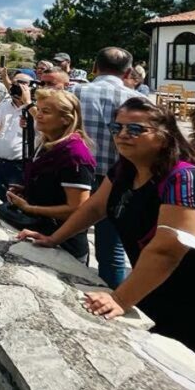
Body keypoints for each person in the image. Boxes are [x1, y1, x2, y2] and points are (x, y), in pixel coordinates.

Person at [18, 98, 195, 390]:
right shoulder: (124, 171)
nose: (123, 134)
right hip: (163, 294)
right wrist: (53, 239)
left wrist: (120, 299)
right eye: (118, 127)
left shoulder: (185, 179)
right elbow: (93, 209)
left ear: (164, 134)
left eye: (136, 128)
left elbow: (167, 250)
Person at [3, 90, 93, 261]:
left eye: (46, 112)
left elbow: (78, 209)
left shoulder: (74, 154)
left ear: (66, 119)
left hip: (65, 244)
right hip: (41, 233)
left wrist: (29, 208)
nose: (38, 115)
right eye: (39, 109)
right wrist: (29, 189)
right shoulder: (48, 143)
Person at [74, 47, 135, 288]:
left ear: (94, 67)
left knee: (74, 237)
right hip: (116, 178)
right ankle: (111, 296)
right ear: (128, 71)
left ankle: (76, 285)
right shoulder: (135, 99)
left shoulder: (76, 90)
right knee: (111, 249)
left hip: (77, 174)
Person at [0, 72, 32, 199]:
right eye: (15, 83)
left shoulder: (35, 109)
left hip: (18, 166)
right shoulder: (3, 105)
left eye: (22, 83)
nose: (17, 86)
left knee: (14, 202)